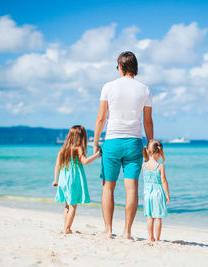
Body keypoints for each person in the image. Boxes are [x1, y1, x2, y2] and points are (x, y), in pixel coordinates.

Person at [93, 51, 154, 239]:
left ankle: (108, 230)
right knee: (131, 188)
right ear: (134, 67)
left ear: (120, 66)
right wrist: (150, 144)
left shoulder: (108, 87)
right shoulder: (144, 89)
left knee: (108, 187)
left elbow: (101, 117)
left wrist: (95, 142)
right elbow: (148, 122)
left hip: (112, 141)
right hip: (134, 142)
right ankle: (127, 232)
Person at [52, 125, 100, 234]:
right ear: (81, 137)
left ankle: (66, 227)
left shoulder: (62, 149)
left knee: (67, 205)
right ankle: (67, 229)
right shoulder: (78, 148)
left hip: (63, 180)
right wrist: (97, 155)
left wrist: (55, 180)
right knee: (73, 205)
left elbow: (57, 166)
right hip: (73, 180)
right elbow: (85, 161)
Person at [142, 139, 170, 242]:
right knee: (158, 218)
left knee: (150, 217)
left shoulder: (143, 165)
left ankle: (151, 238)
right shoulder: (160, 166)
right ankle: (157, 239)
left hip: (147, 193)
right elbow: (163, 181)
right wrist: (167, 194)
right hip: (157, 193)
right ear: (158, 153)